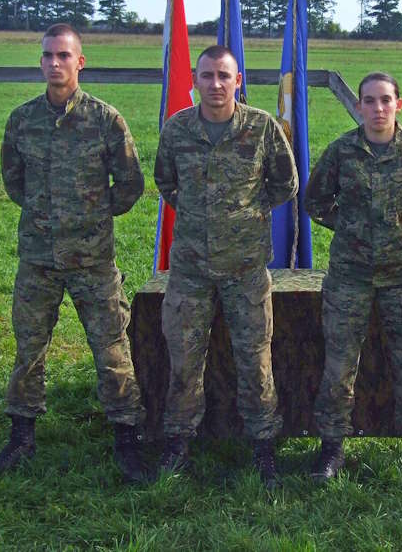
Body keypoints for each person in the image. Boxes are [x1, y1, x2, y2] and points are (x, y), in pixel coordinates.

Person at [0, 24, 148, 482]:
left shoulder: (105, 120)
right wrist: (47, 216)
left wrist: (92, 216)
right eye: (47, 56)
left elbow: (131, 183)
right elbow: (13, 181)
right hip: (38, 258)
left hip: (92, 260)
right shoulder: (22, 120)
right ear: (40, 62)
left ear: (80, 61)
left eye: (63, 55)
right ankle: (21, 436)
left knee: (112, 349)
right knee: (29, 350)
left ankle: (127, 438)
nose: (54, 63)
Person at [304, 72, 402, 492]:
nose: (377, 109)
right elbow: (314, 201)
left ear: (397, 103)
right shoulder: (342, 151)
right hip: (348, 277)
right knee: (338, 368)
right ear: (358, 106)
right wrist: (352, 227)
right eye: (368, 101)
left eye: (385, 100)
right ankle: (332, 446)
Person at [153, 45, 298, 488]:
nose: (215, 84)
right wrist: (204, 217)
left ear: (238, 81)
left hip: (246, 267)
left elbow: (285, 183)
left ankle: (263, 446)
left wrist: (241, 217)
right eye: (207, 76)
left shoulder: (261, 128)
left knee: (255, 361)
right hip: (191, 269)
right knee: (184, 360)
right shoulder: (177, 130)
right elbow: (166, 182)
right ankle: (178, 442)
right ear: (195, 81)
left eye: (224, 76)